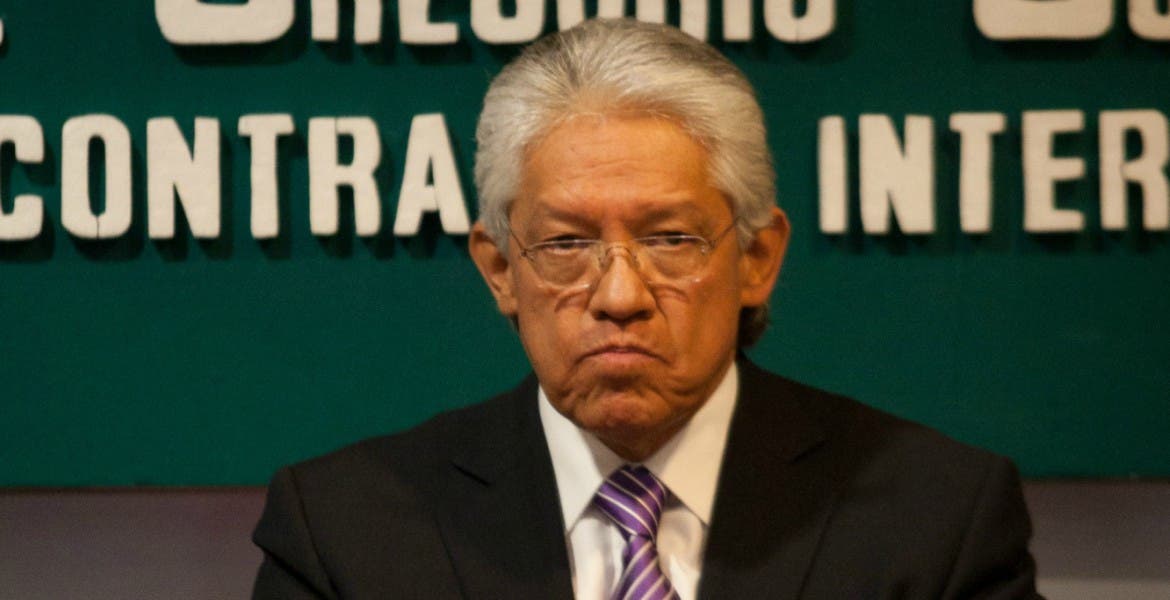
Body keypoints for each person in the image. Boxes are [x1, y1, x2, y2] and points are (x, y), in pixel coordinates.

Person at [252, 18, 1041, 600]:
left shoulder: (937, 519)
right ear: (499, 269)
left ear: (757, 259)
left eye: (670, 239)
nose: (620, 296)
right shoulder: (345, 533)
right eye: (566, 244)